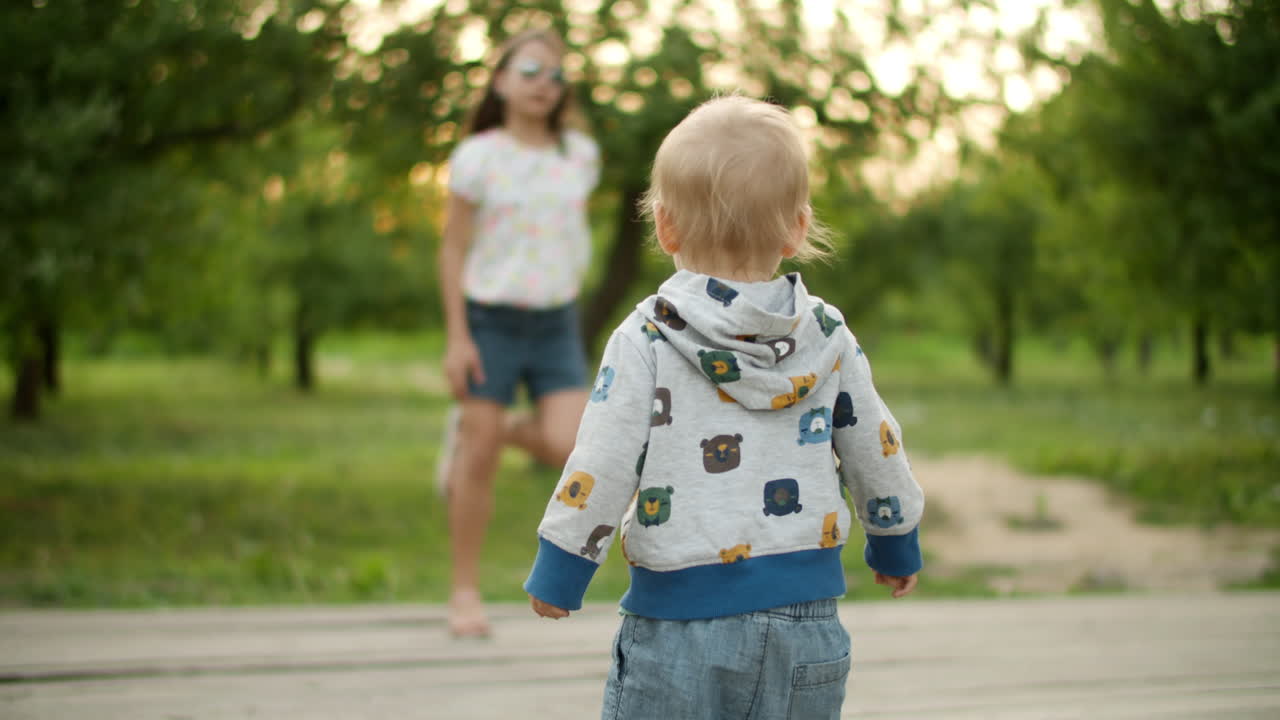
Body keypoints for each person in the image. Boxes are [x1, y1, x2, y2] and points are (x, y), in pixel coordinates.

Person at [523, 96, 924, 719]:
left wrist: (563, 566)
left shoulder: (648, 336)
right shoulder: (828, 336)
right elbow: (875, 446)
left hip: (678, 626)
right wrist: (895, 539)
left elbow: (604, 456)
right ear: (797, 227)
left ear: (664, 226)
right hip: (805, 625)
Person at [436, 28, 599, 638]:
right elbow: (453, 249)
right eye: (530, 71)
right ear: (501, 80)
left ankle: (484, 428)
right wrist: (458, 336)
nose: (543, 85)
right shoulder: (477, 156)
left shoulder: (579, 155)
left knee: (571, 445)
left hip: (556, 321)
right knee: (477, 462)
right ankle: (464, 593)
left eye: (556, 75)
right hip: (490, 322)